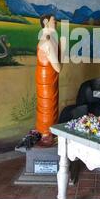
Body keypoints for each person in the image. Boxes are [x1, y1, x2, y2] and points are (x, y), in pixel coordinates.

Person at [35, 14, 64, 146]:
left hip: (45, 74)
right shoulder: (48, 41)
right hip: (48, 76)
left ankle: (46, 131)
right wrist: (63, 50)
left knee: (46, 104)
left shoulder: (47, 38)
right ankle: (47, 133)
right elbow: (58, 68)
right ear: (46, 23)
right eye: (54, 21)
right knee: (48, 104)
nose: (56, 22)